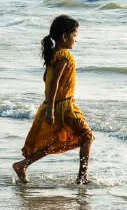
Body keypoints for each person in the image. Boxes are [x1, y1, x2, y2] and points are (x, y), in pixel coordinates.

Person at [13, 15, 94, 184]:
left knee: (53, 142)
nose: (76, 40)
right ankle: (82, 177)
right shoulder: (65, 56)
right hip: (64, 107)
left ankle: (23, 165)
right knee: (86, 136)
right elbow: (54, 83)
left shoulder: (53, 56)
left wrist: (50, 106)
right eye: (75, 35)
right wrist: (51, 110)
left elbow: (46, 79)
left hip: (54, 105)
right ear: (65, 37)